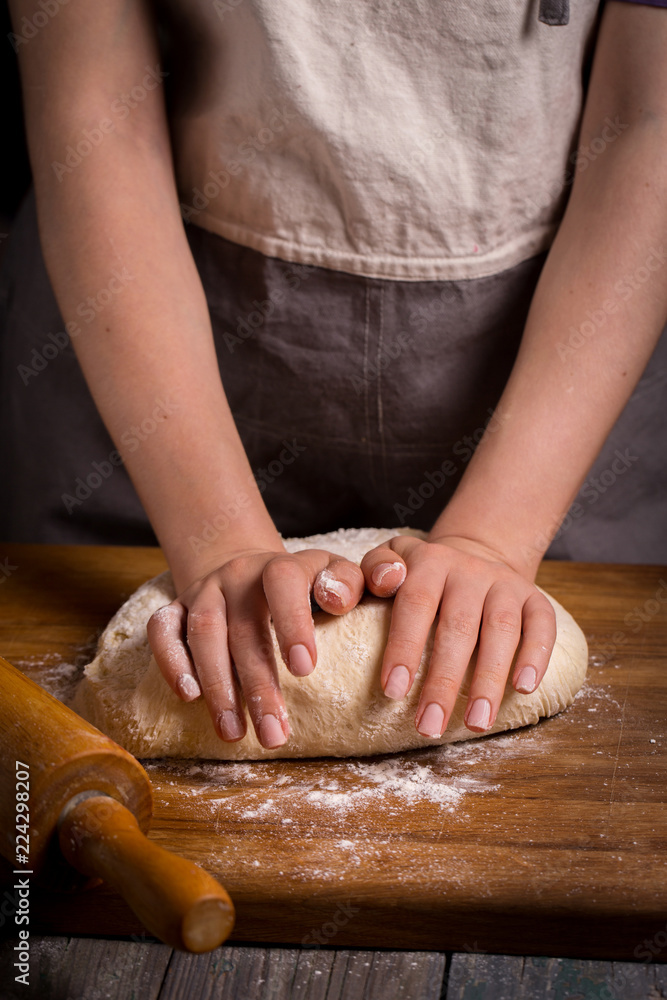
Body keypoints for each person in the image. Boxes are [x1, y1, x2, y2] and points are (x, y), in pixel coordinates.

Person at [3, 0, 666, 750]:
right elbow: (95, 105)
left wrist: (494, 541)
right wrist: (218, 541)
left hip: (564, 353)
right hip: (150, 335)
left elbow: (649, 121)